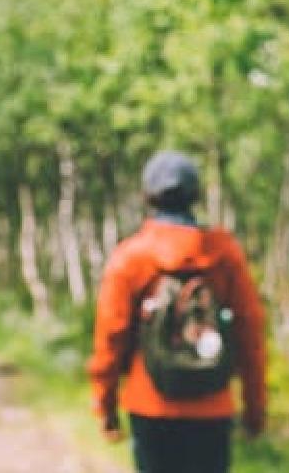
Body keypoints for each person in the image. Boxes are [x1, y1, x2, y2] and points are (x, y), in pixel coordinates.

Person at [88, 151, 268, 473]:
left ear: (147, 196)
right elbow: (249, 331)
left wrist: (105, 405)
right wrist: (255, 407)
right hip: (213, 407)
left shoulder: (131, 257)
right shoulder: (224, 253)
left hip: (150, 405)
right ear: (195, 195)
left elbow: (110, 336)